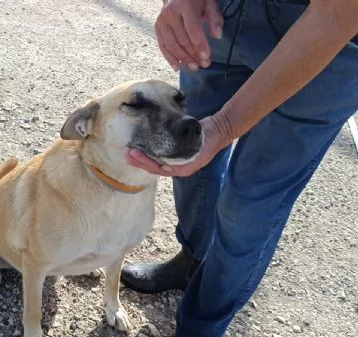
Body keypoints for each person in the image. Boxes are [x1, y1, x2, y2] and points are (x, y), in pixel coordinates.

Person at [119, 0, 358, 336]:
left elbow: (335, 14)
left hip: (327, 38)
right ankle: (193, 259)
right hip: (222, 14)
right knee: (186, 159)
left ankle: (201, 327)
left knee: (249, 204)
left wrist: (225, 126)